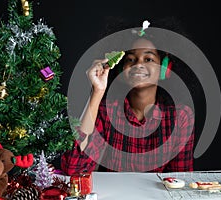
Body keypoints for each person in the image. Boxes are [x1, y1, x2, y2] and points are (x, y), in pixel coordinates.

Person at [61, 20, 196, 175]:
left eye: (148, 59)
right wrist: (97, 92)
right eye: (130, 59)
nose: (138, 64)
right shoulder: (106, 110)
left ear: (164, 69)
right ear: (120, 68)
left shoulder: (181, 116)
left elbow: (180, 181)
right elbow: (74, 169)